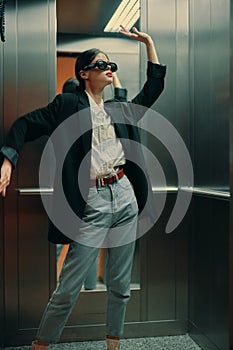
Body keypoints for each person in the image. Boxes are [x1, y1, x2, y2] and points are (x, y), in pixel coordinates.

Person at [0, 26, 166, 350]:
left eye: (112, 66)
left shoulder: (118, 109)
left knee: (120, 283)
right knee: (69, 285)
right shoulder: (66, 104)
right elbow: (24, 124)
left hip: (125, 195)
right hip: (93, 200)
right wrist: (8, 160)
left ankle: (113, 343)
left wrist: (149, 43)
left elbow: (153, 89)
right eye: (103, 64)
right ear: (84, 73)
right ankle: (41, 344)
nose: (109, 69)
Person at [59, 74, 128, 291]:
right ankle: (87, 287)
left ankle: (68, 286)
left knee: (67, 244)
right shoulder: (81, 119)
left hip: (72, 193)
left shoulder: (67, 117)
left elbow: (121, 102)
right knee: (87, 245)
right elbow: (122, 100)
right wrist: (117, 77)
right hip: (88, 192)